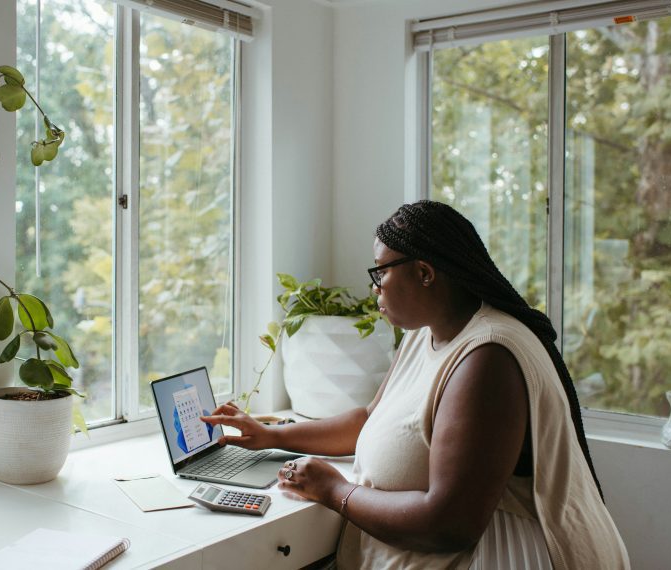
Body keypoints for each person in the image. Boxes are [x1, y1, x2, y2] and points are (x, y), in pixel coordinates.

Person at [201, 200, 630, 569]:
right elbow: (370, 418)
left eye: (380, 272)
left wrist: (335, 490)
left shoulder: (487, 358)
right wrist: (273, 435)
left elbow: (449, 525)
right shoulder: (424, 333)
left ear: (424, 272)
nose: (374, 288)